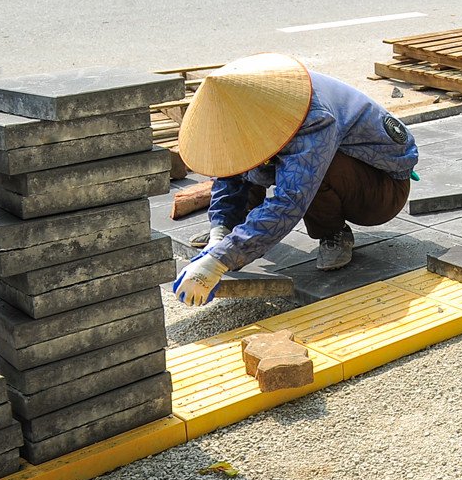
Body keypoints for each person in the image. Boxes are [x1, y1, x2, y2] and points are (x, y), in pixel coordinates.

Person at [171, 53, 420, 305]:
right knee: (245, 153)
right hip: (342, 167)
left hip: (381, 189)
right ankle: (235, 226)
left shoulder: (313, 117)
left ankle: (334, 232)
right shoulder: (250, 106)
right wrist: (221, 229)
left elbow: (292, 199)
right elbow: (229, 169)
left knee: (316, 169)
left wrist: (219, 260)